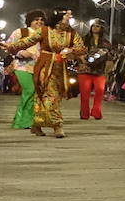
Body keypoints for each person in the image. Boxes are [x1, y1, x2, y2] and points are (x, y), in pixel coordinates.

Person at [13, 8, 85, 138]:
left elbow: (81, 48)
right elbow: (28, 41)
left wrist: (70, 51)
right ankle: (57, 125)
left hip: (60, 69)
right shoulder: (45, 30)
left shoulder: (71, 33)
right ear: (59, 18)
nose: (69, 19)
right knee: (51, 96)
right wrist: (11, 47)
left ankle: (37, 124)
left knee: (49, 97)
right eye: (67, 16)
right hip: (45, 67)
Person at [78, 20, 110, 121]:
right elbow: (78, 52)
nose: (95, 28)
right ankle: (84, 113)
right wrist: (82, 59)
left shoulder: (106, 42)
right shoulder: (84, 39)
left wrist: (108, 70)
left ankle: (96, 112)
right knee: (85, 93)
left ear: (102, 29)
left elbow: (110, 57)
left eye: (98, 26)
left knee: (100, 92)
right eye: (93, 26)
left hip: (100, 71)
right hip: (85, 69)